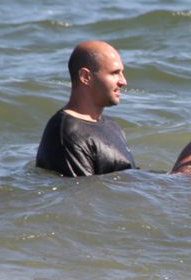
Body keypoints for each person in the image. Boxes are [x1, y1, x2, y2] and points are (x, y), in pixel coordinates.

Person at [36, 40, 136, 177]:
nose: (123, 81)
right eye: (114, 73)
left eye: (122, 73)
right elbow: (83, 193)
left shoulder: (112, 126)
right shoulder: (67, 133)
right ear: (85, 77)